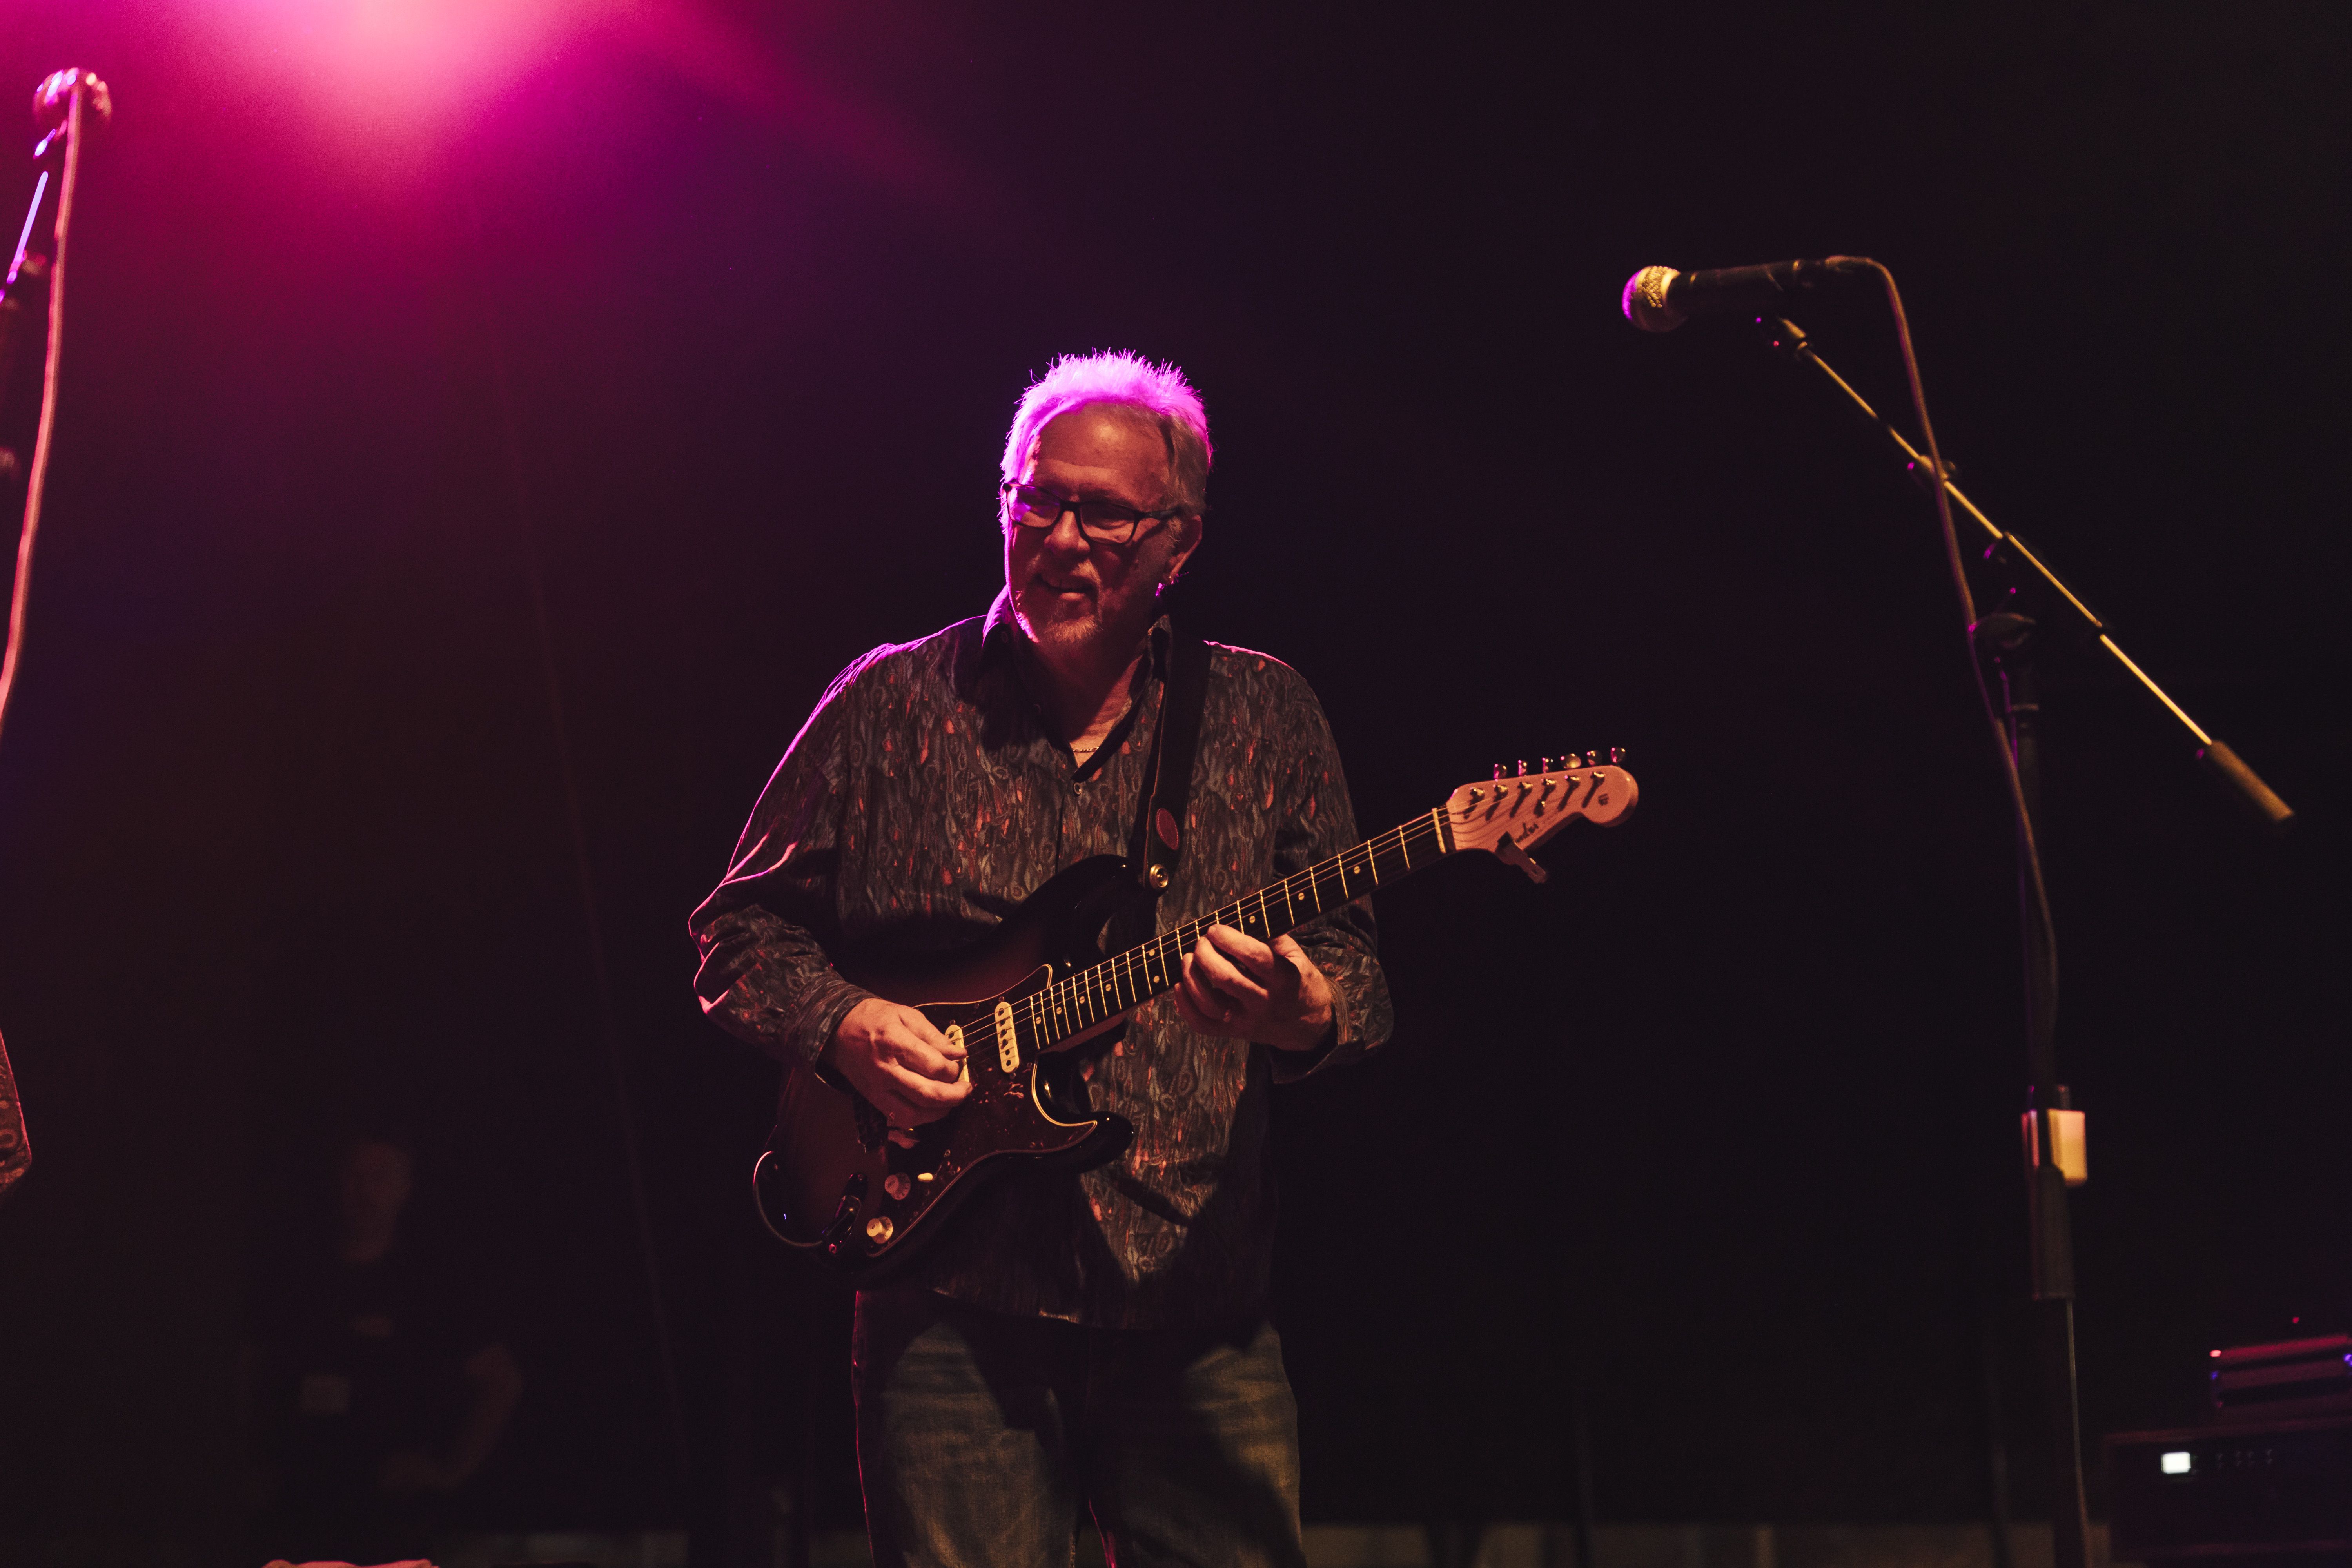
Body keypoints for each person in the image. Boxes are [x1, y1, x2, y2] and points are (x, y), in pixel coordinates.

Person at [690, 350, 1392, 1567]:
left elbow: (1356, 970)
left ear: (1178, 542)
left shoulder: (1265, 717)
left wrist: (1309, 1010)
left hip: (1194, 1302)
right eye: (1035, 499)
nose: (1059, 536)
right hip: (948, 1302)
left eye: (1103, 513)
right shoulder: (890, 707)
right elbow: (733, 935)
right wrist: (847, 1022)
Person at [248, 1132, 524, 1564]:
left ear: (405, 1188)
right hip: (299, 1507)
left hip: (387, 1517)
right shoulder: (298, 1276)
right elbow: (251, 1369)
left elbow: (502, 1379)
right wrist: (255, 1461)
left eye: (379, 1177)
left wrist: (451, 1471)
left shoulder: (426, 1284)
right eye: (353, 1175)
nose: (362, 1189)